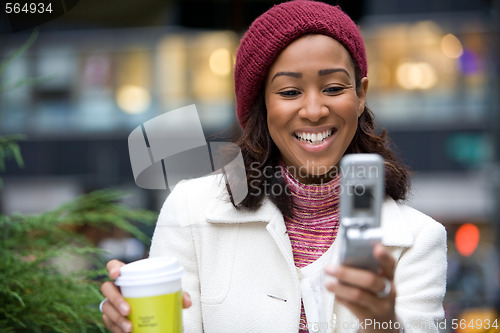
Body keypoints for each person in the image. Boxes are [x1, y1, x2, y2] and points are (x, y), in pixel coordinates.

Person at [100, 1, 447, 332]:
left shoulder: (419, 240)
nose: (313, 110)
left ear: (360, 95)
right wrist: (132, 317)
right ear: (262, 104)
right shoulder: (190, 210)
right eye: (290, 91)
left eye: (333, 87)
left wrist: (382, 325)